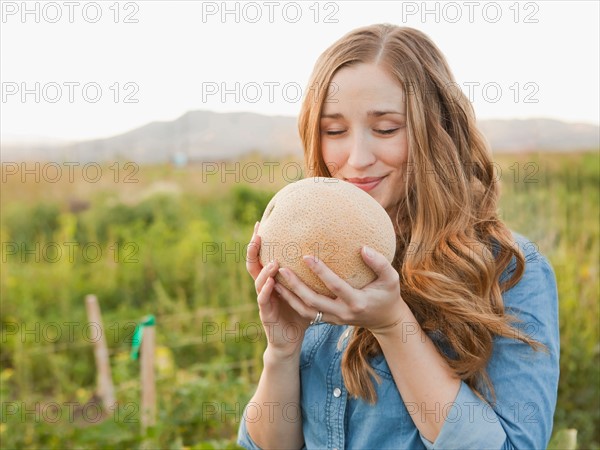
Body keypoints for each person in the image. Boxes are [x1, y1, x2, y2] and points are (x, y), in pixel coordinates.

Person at [237, 24, 559, 449]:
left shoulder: (509, 272)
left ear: (437, 131)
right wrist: (282, 349)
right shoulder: (314, 261)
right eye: (334, 131)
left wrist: (392, 324)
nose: (357, 158)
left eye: (387, 129)